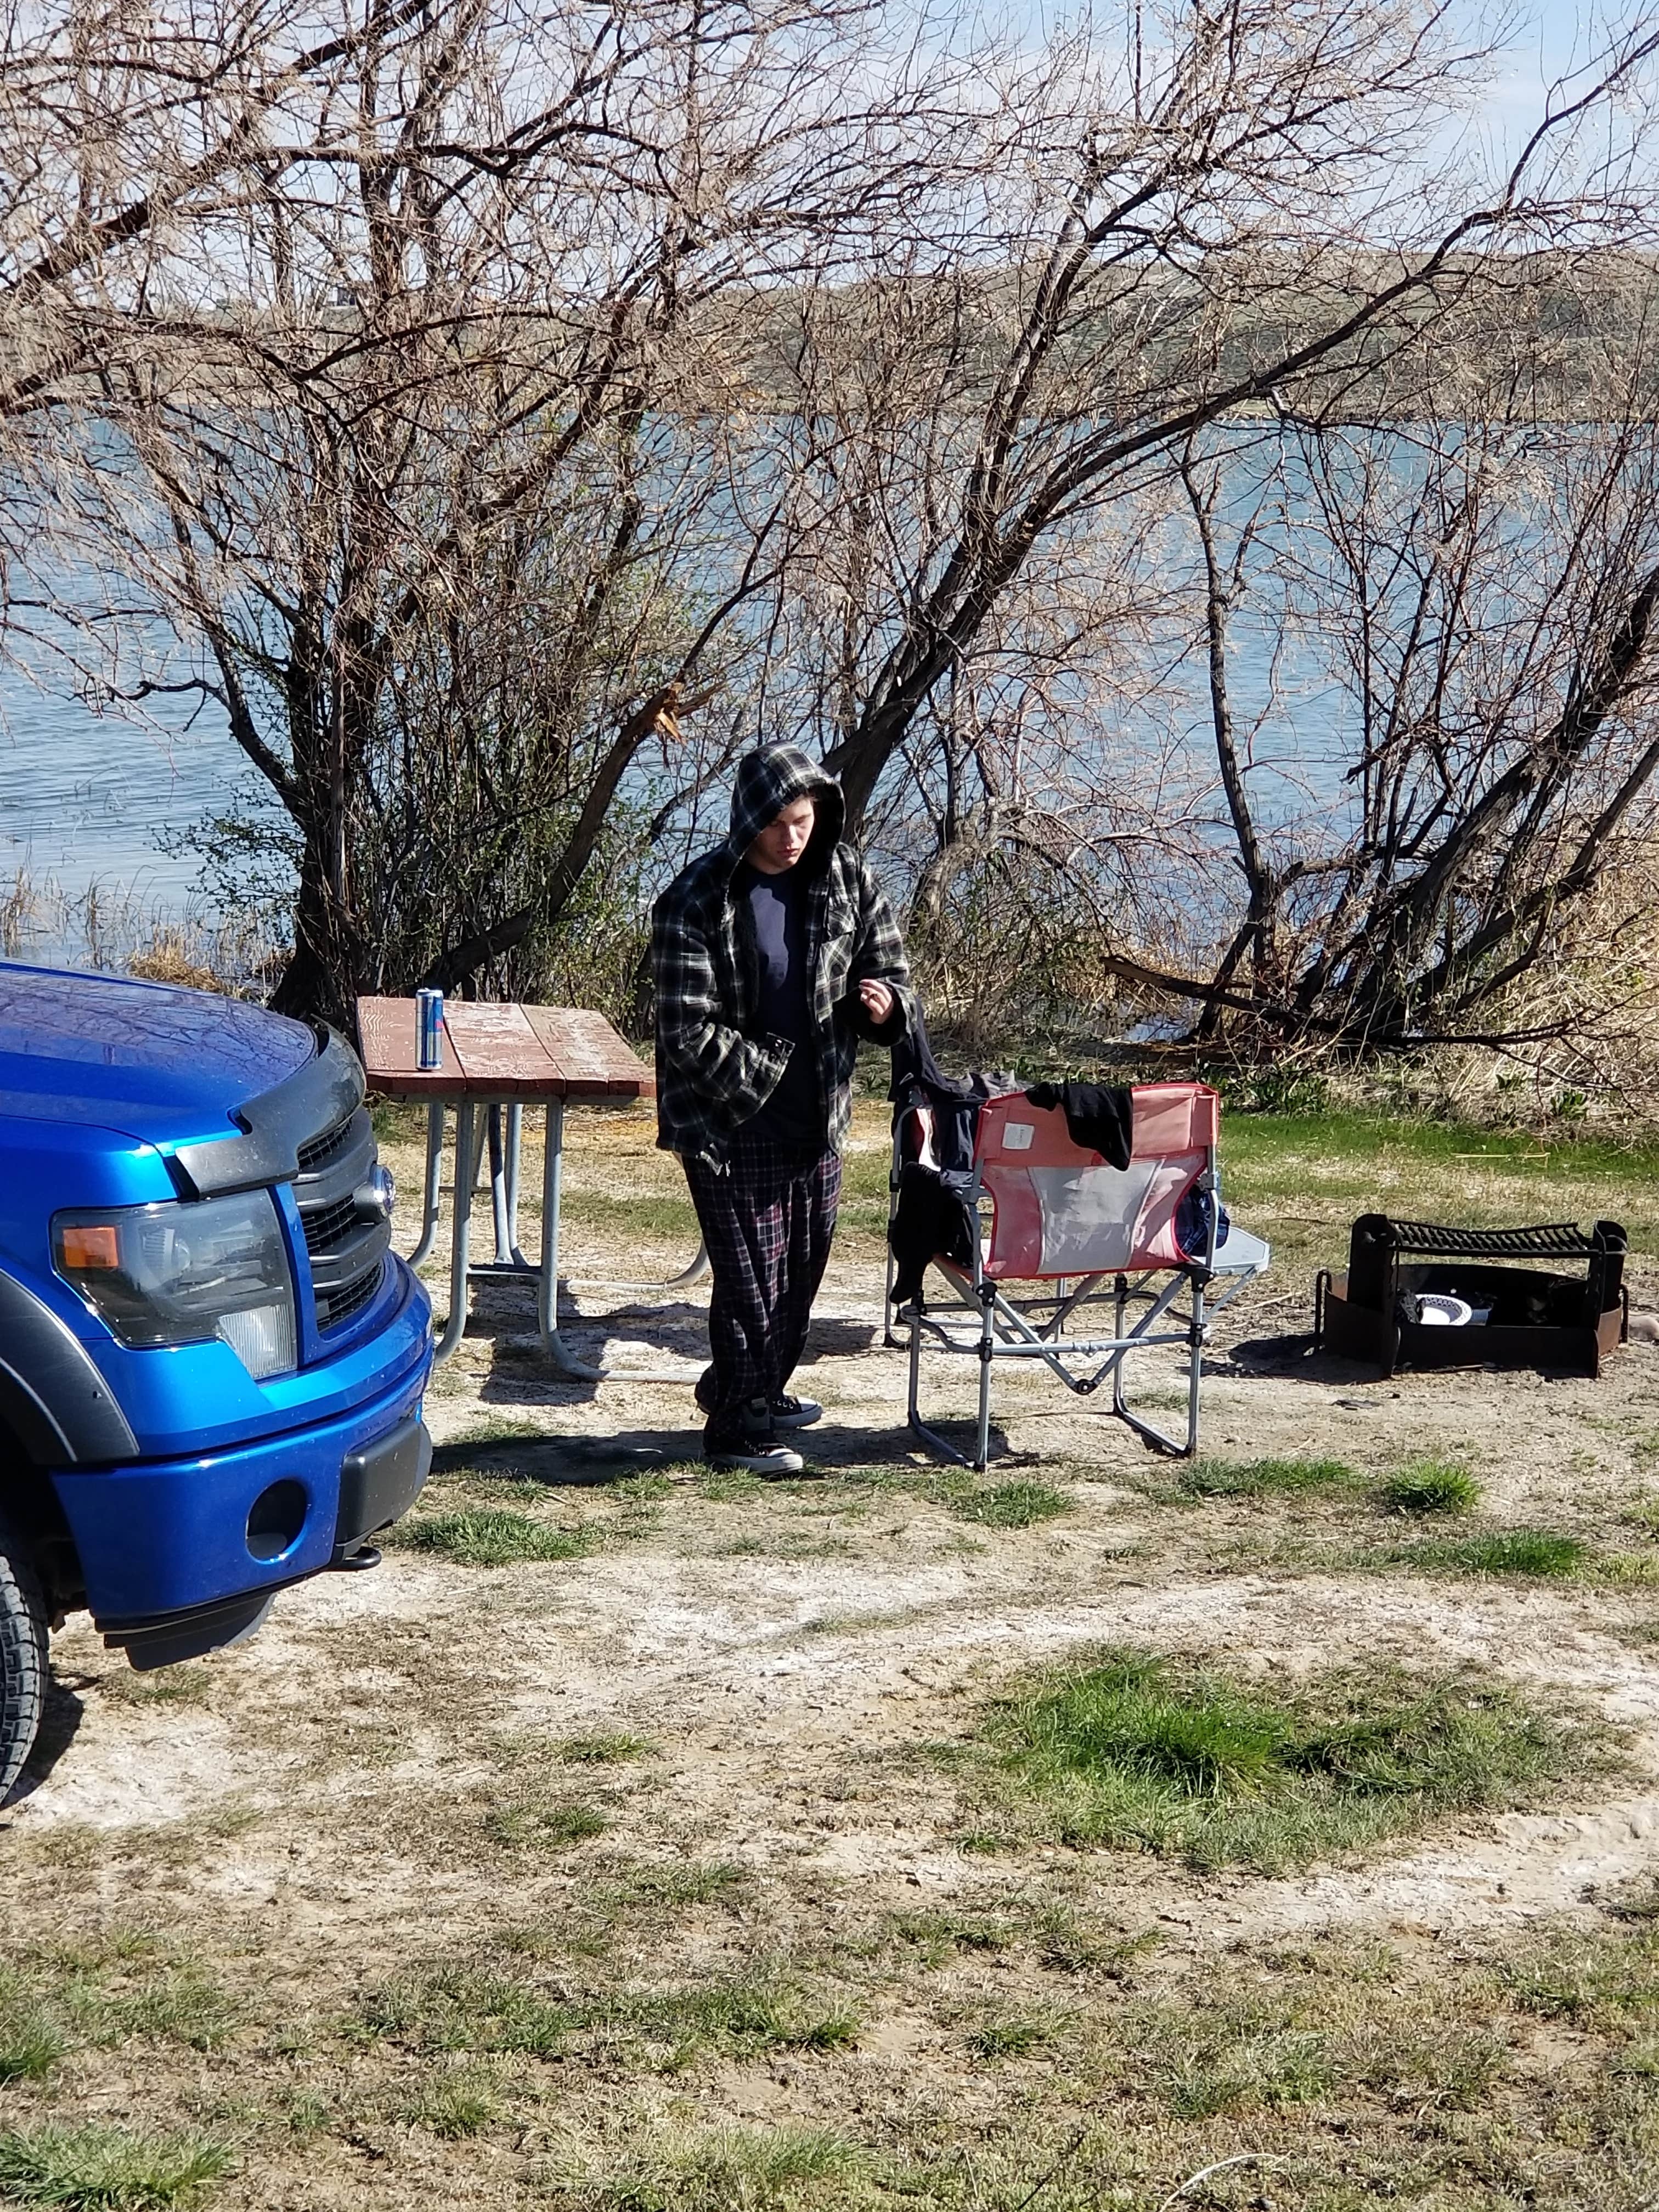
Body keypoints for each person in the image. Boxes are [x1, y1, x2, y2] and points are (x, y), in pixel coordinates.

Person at [652, 744, 913, 1472]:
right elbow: (684, 1030)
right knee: (750, 1292)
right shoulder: (696, 897)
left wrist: (885, 1006)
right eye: (776, 823)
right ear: (748, 820)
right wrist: (770, 1067)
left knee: (797, 1279)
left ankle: (750, 1390)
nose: (791, 837)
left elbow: (889, 967)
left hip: (820, 1122)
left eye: (803, 821)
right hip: (727, 1127)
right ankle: (736, 1435)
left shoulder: (846, 875)